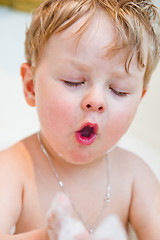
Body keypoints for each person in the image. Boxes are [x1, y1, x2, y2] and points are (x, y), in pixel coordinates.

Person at [0, 0, 160, 239]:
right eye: (73, 81)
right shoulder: (12, 171)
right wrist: (47, 236)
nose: (96, 101)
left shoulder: (136, 177)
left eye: (119, 90)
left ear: (138, 100)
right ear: (31, 86)